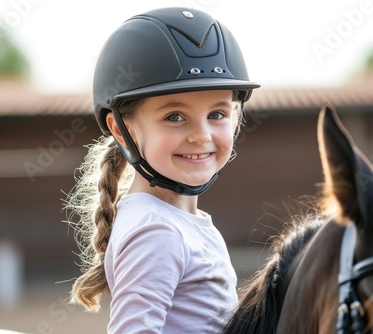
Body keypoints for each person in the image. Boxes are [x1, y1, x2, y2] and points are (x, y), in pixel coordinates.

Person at [65, 7, 259, 333]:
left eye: (217, 114)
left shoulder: (176, 222)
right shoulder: (157, 232)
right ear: (120, 127)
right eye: (174, 116)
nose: (202, 135)